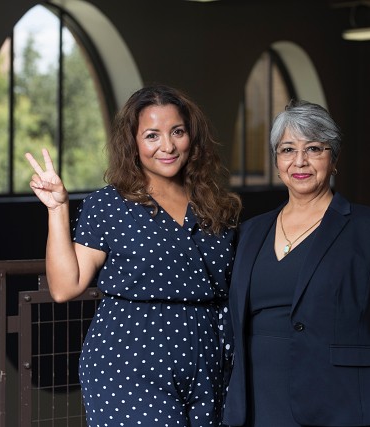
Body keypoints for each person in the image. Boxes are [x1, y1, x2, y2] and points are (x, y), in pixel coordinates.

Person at [25, 84, 242, 427]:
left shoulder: (218, 207)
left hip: (208, 361)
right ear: (133, 143)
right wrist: (57, 209)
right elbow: (65, 287)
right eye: (152, 135)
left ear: (192, 137)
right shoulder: (108, 205)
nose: (167, 146)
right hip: (129, 362)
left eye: (177, 132)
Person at [222, 100, 370, 427]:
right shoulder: (250, 231)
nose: (300, 161)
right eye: (287, 150)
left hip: (335, 402)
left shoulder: (369, 227)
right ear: (276, 160)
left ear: (334, 158)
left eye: (314, 148)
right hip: (256, 401)